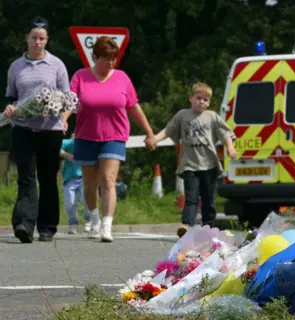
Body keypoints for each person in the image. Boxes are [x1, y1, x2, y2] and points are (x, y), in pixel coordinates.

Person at [65, 36, 157, 243]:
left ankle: (107, 225)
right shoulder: (81, 76)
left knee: (107, 179)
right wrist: (62, 121)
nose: (110, 63)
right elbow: (70, 103)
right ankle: (95, 220)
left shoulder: (122, 78)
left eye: (113, 59)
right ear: (95, 57)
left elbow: (133, 106)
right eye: (106, 59)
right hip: (85, 136)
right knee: (89, 184)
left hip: (114, 136)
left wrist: (149, 132)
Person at [3, 16, 70, 243]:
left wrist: (62, 115)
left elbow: (67, 97)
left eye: (42, 38)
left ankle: (47, 226)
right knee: (26, 176)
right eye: (34, 38)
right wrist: (10, 107)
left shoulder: (57, 65)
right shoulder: (15, 67)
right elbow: (10, 96)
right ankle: (24, 224)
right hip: (22, 129)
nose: (37, 42)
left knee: (48, 177)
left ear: (47, 40)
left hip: (50, 129)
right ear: (27, 38)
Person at [153, 82, 237, 238]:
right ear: (191, 98)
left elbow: (225, 134)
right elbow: (168, 130)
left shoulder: (212, 117)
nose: (201, 102)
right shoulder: (182, 115)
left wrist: (230, 148)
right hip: (190, 166)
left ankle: (208, 228)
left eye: (205, 99)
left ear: (209, 102)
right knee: (191, 198)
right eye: (198, 98)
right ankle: (187, 227)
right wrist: (154, 139)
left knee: (208, 200)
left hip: (209, 166)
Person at [60, 134, 91, 234]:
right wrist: (68, 155)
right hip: (69, 177)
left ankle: (89, 220)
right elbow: (56, 148)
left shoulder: (86, 142)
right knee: (70, 204)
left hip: (84, 177)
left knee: (87, 200)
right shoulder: (67, 143)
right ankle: (73, 223)